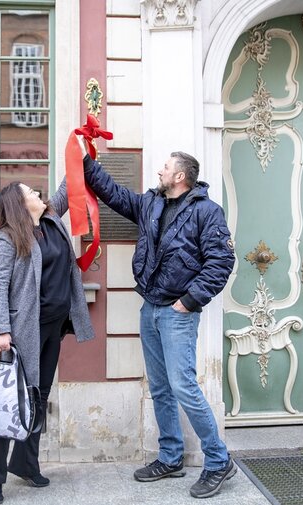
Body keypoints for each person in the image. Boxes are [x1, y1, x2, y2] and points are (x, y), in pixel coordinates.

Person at [82, 146, 236, 499]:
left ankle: (218, 460)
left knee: (183, 387)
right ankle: (170, 457)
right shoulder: (151, 203)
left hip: (177, 312)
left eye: (165, 167)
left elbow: (221, 262)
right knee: (161, 387)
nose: (159, 172)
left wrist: (188, 302)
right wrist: (86, 163)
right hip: (150, 307)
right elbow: (114, 194)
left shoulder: (207, 212)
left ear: (180, 176)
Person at [0, 180, 95, 505]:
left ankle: (27, 463)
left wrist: (81, 147)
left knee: (37, 399)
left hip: (53, 328)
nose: (39, 196)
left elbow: (67, 187)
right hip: (24, 330)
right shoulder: (8, 238)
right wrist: (1, 329)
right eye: (31, 193)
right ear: (19, 204)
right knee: (11, 403)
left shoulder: (51, 219)